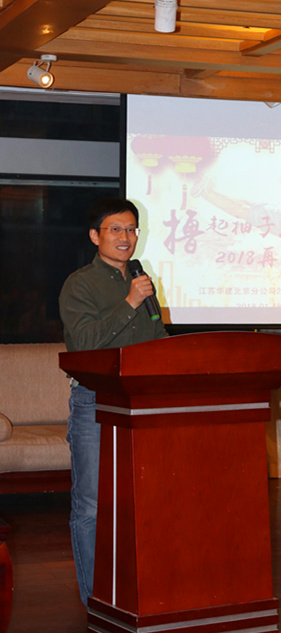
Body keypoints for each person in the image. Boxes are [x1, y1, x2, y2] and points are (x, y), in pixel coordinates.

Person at [59, 197, 168, 606]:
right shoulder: (80, 284)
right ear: (95, 236)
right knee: (92, 504)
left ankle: (138, 594)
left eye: (132, 229)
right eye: (116, 229)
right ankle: (95, 600)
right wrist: (130, 303)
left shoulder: (140, 280)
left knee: (144, 502)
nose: (126, 237)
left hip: (143, 403)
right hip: (95, 402)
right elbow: (84, 344)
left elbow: (158, 340)